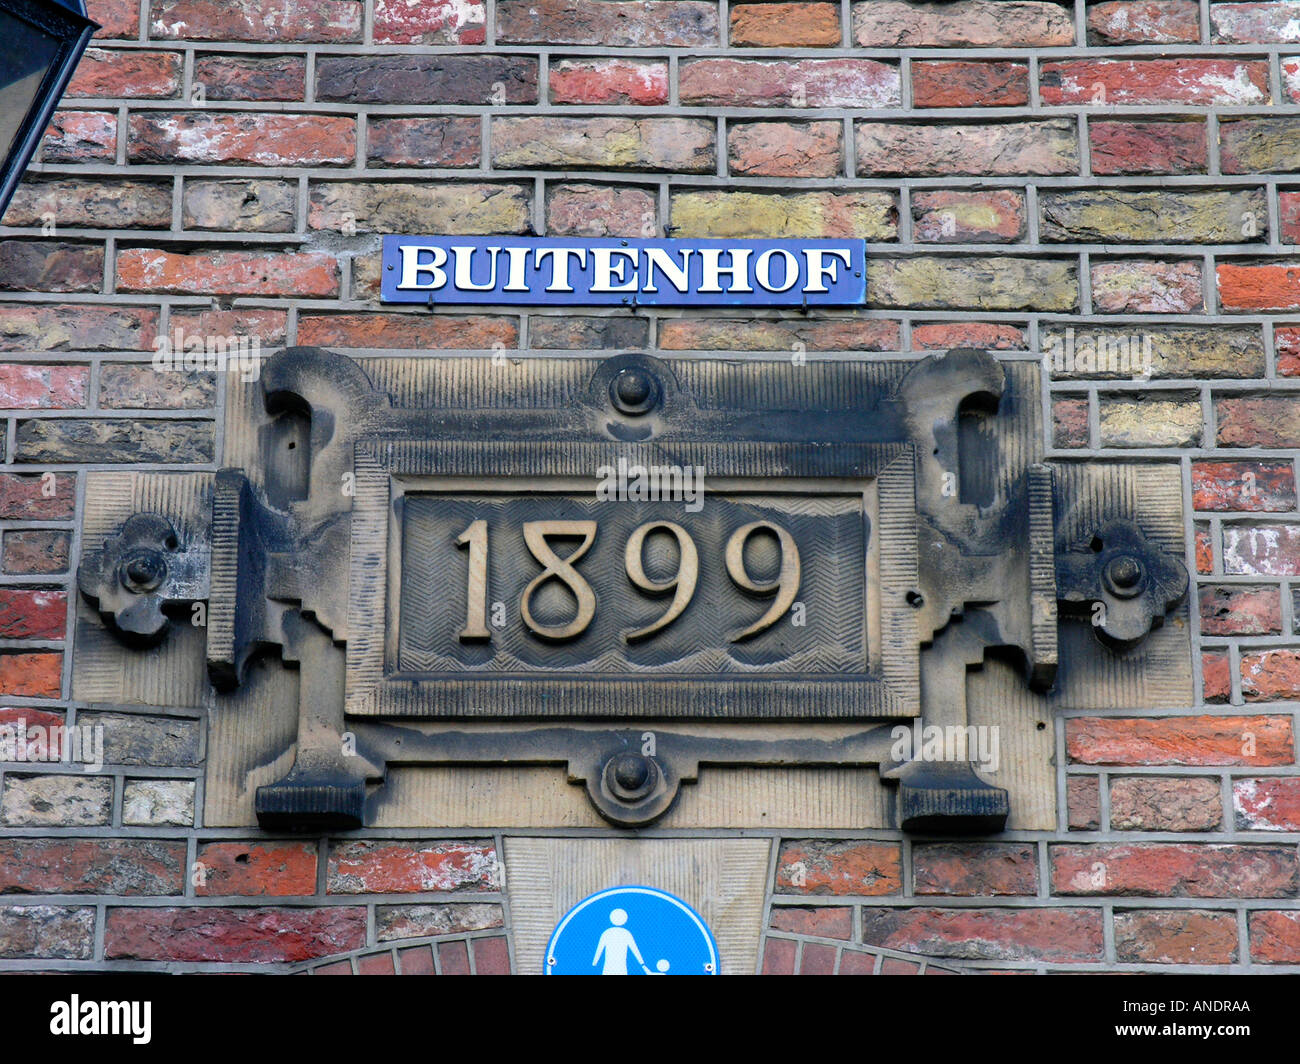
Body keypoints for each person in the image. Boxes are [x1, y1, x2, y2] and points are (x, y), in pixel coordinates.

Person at [592, 908, 649, 975]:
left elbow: (599, 949)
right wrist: (642, 963)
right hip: (620, 967)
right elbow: (635, 950)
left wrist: (594, 963)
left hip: (610, 967)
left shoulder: (607, 933)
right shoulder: (626, 933)